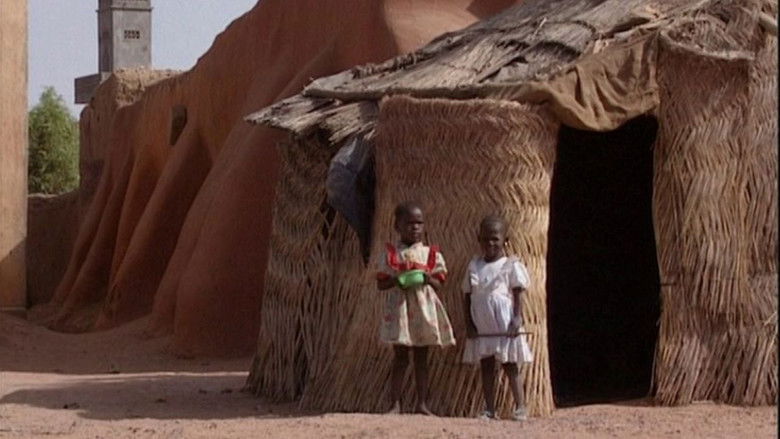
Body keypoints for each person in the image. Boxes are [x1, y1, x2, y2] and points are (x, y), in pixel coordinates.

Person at [376, 201, 456, 415]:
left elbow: (440, 283)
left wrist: (428, 278)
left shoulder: (431, 255)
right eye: (409, 223)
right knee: (400, 357)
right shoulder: (391, 255)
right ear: (397, 227)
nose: (415, 228)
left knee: (422, 357)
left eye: (419, 223)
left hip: (424, 309)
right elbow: (381, 283)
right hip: (401, 310)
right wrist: (397, 280)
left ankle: (422, 403)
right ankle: (395, 404)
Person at [462, 215, 533, 421]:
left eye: (495, 238)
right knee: (486, 366)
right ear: (479, 239)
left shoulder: (510, 265)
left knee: (510, 365)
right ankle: (489, 409)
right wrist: (469, 323)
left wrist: (516, 320)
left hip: (504, 327)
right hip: (483, 327)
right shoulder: (474, 266)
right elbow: (466, 295)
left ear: (505, 240)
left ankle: (520, 406)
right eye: (485, 239)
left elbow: (517, 292)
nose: (490, 243)